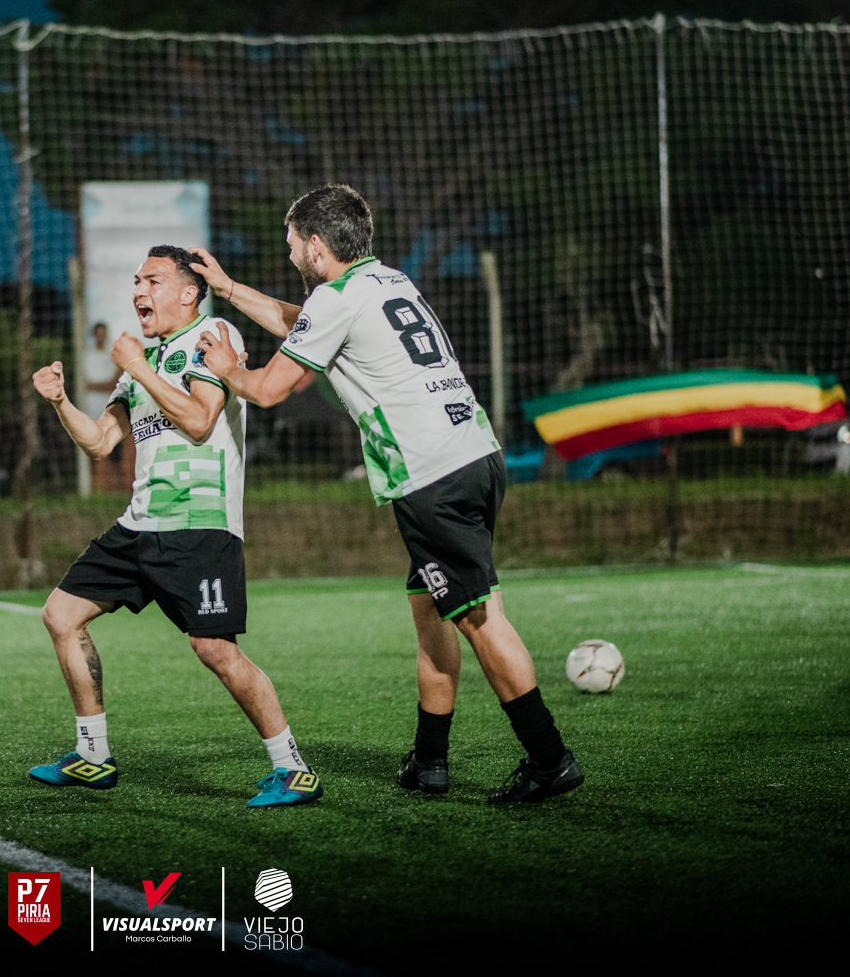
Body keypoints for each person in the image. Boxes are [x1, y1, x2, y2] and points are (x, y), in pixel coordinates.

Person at [191, 185, 583, 803]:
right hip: (474, 455)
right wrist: (231, 289)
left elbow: (267, 389)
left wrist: (224, 368)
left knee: (480, 618)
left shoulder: (334, 299)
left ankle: (549, 759)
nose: (289, 253)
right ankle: (429, 761)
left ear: (316, 246)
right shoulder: (387, 281)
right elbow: (303, 326)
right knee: (431, 609)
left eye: (291, 243)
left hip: (432, 475)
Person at [27, 246, 323, 808]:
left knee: (215, 649)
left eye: (154, 280)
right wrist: (61, 401)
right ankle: (93, 756)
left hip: (199, 525)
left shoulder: (214, 333)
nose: (139, 290)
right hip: (139, 526)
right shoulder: (142, 362)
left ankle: (293, 769)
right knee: (60, 615)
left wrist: (139, 368)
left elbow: (199, 420)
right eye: (137, 281)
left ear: (189, 293)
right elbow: (100, 442)